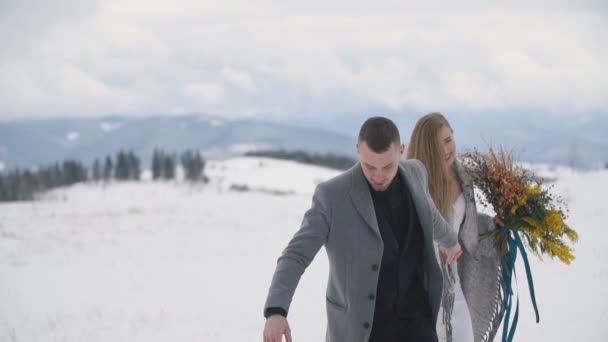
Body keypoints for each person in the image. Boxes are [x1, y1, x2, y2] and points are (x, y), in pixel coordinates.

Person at [263, 116, 463, 342]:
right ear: (358, 150)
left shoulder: (416, 172)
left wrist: (450, 239)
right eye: (370, 166)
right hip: (363, 331)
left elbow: (429, 214)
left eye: (387, 166)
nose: (378, 176)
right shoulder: (332, 196)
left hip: (417, 324)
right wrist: (276, 310)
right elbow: (295, 255)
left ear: (401, 151)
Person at [406, 112, 503, 342]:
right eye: (437, 145)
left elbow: (466, 229)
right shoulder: (413, 183)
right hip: (422, 290)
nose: (446, 149)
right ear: (426, 148)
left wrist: (493, 225)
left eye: (449, 140)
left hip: (454, 286)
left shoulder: (464, 179)